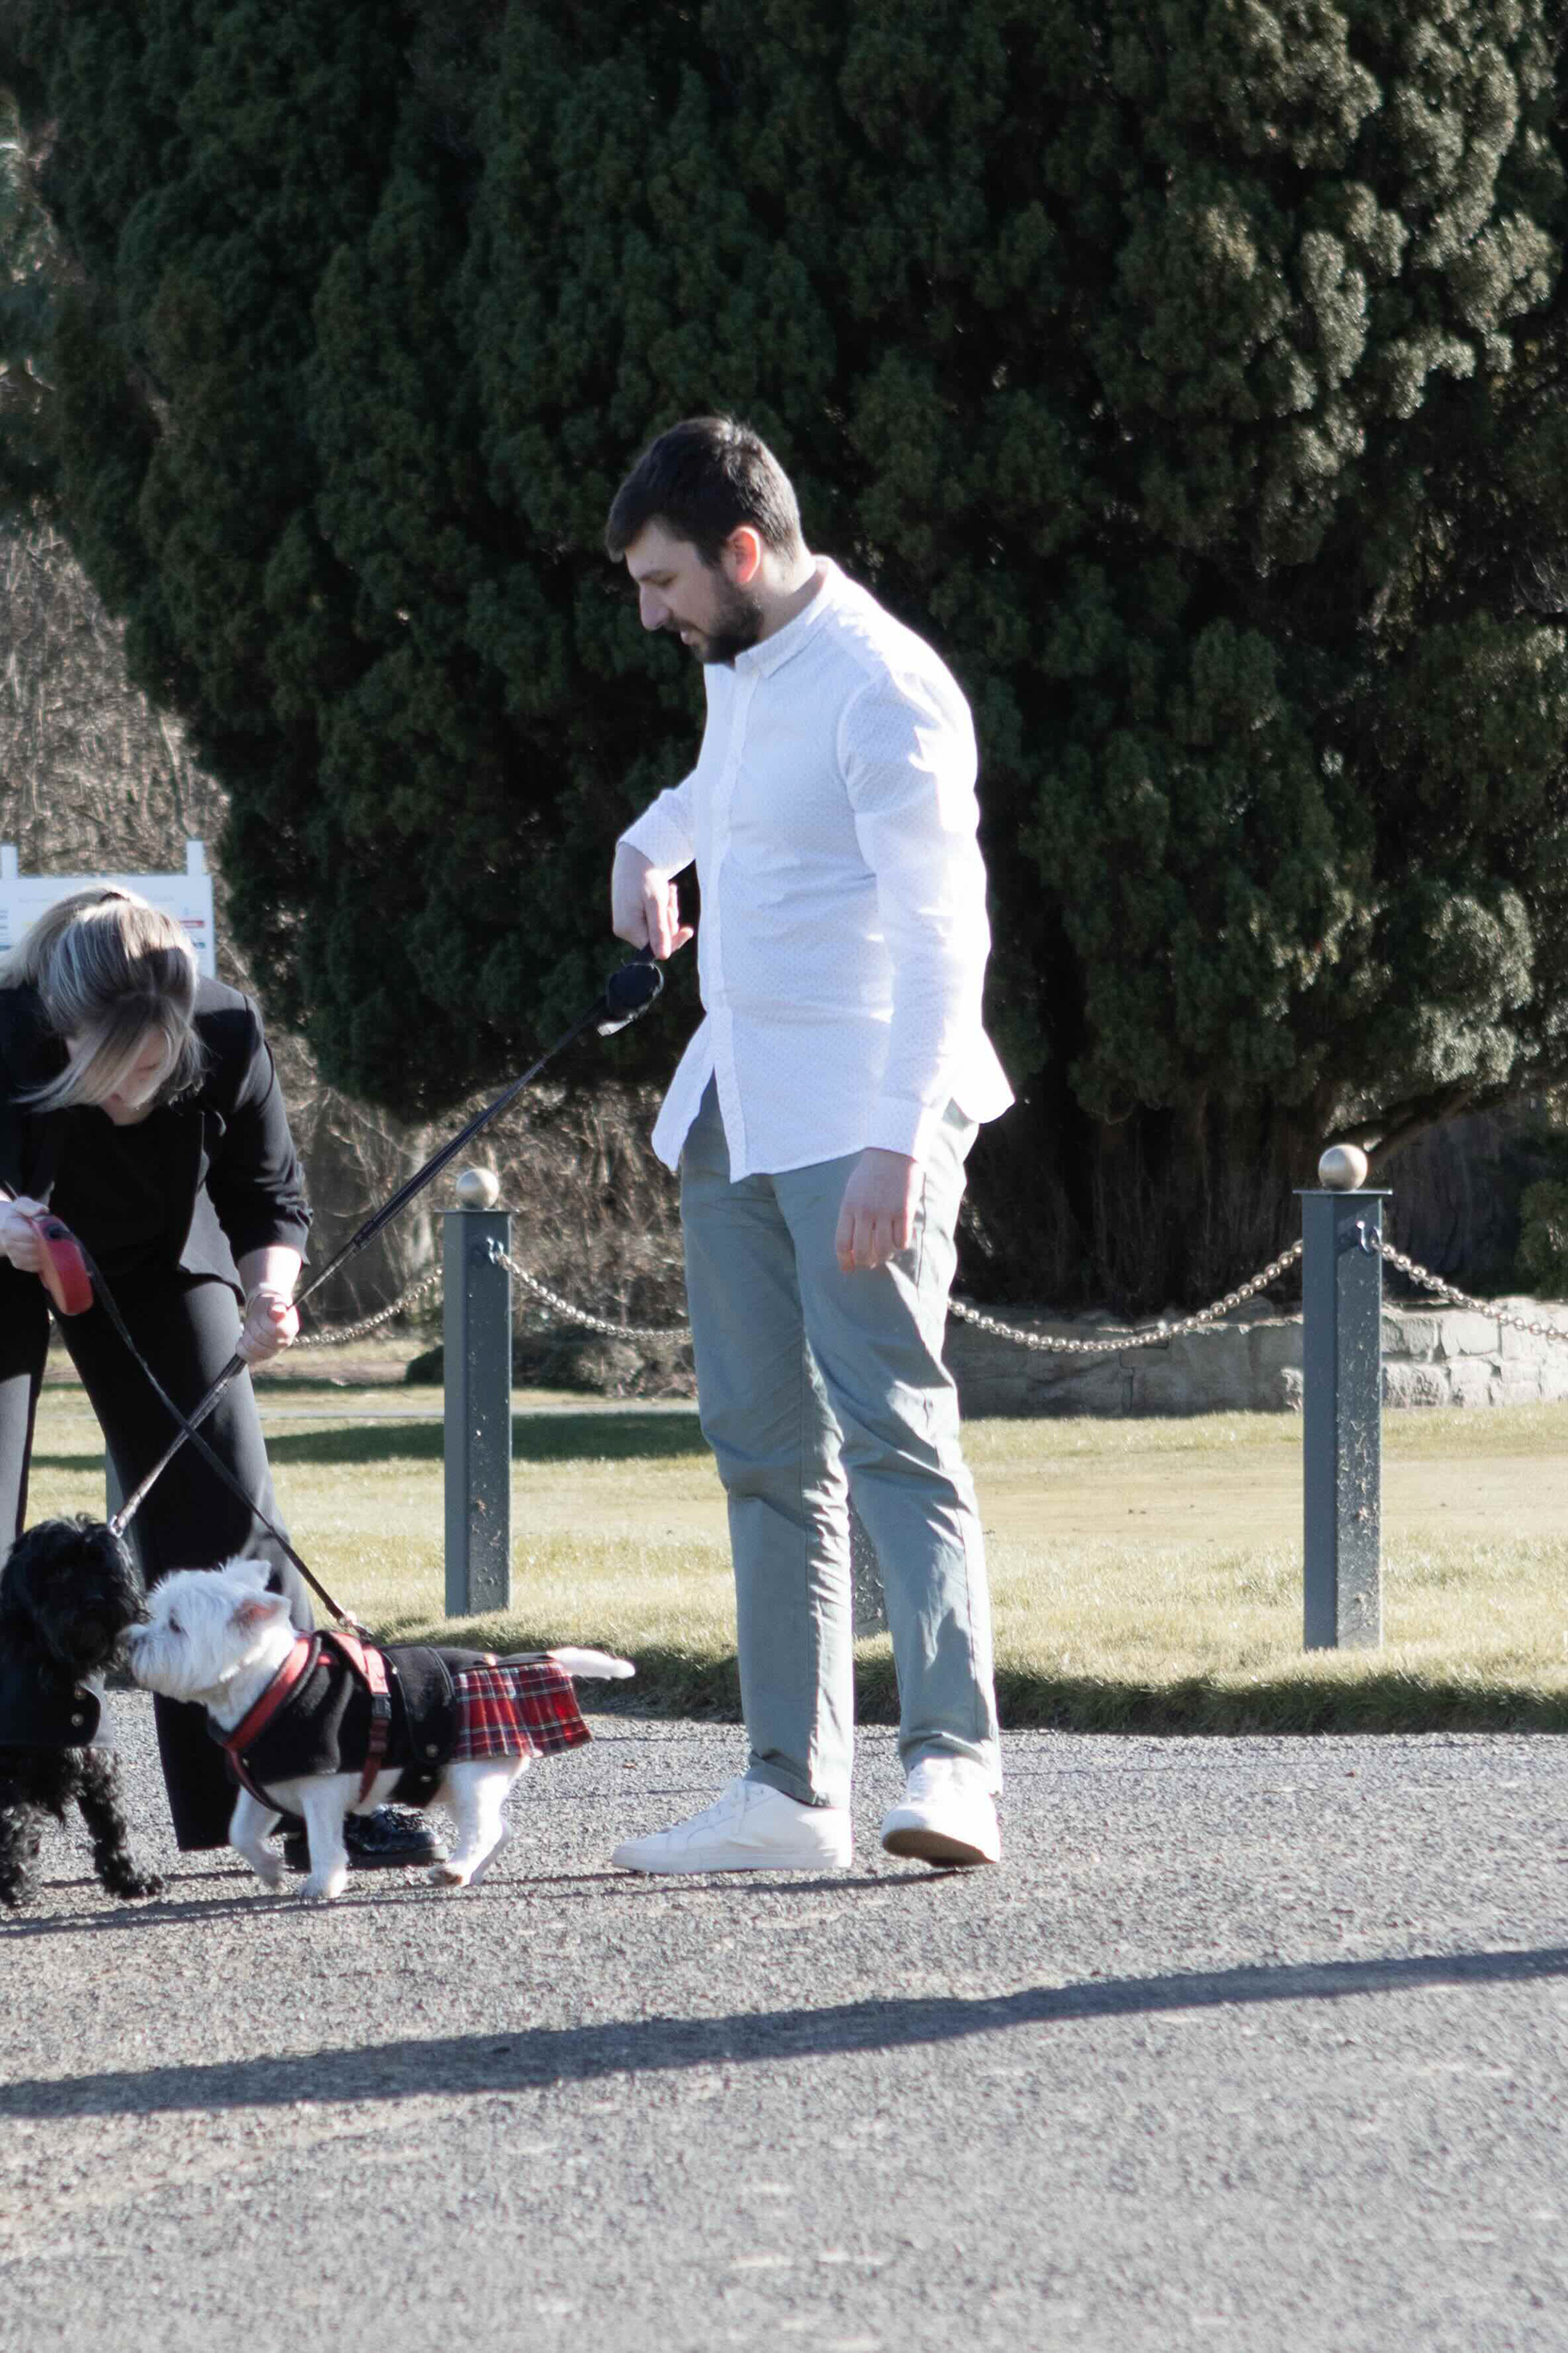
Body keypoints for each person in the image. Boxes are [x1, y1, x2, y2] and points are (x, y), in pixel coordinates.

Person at [0, 889, 437, 1869]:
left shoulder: (228, 1027)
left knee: (223, 1484)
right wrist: (14, 1229)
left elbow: (268, 1193)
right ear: (64, 1032)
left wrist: (271, 1290)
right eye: (108, 1070)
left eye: (151, 1069)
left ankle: (299, 1791)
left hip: (150, 1238)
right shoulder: (4, 1022)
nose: (129, 1094)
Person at [600, 417, 1019, 1876]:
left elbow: (947, 936)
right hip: (737, 1104)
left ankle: (955, 1769)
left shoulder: (887, 688)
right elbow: (728, 791)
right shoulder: (744, 662)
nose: (651, 615)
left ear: (742, 551)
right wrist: (647, 843)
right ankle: (788, 1793)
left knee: (894, 1428)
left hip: (865, 1116)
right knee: (764, 1449)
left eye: (664, 582)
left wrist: (899, 1145)